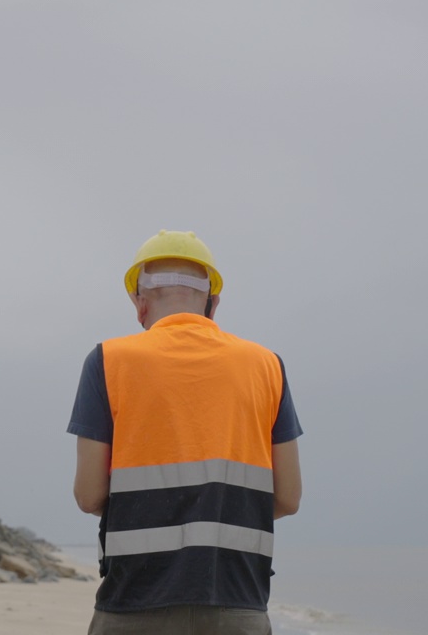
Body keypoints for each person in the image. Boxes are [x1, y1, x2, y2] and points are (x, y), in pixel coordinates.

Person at [68, 230, 303, 635]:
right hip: (238, 603)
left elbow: (88, 494)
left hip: (133, 607)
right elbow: (288, 497)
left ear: (140, 302)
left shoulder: (108, 361)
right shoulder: (267, 366)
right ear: (213, 301)